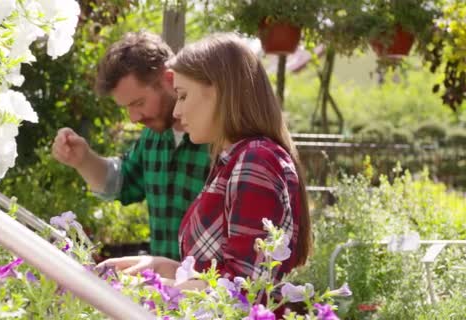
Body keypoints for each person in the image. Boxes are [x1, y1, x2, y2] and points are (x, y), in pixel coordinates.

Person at [99, 33, 312, 295]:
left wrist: (151, 288)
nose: (177, 111)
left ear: (220, 92)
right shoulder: (236, 159)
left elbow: (244, 290)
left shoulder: (255, 161)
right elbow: (224, 275)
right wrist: (163, 268)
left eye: (184, 96)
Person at [52, 31, 210, 260]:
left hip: (210, 292)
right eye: (127, 107)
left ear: (169, 80)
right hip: (167, 291)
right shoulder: (153, 137)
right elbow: (122, 182)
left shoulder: (218, 139)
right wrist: (83, 159)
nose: (133, 118)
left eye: (138, 103)